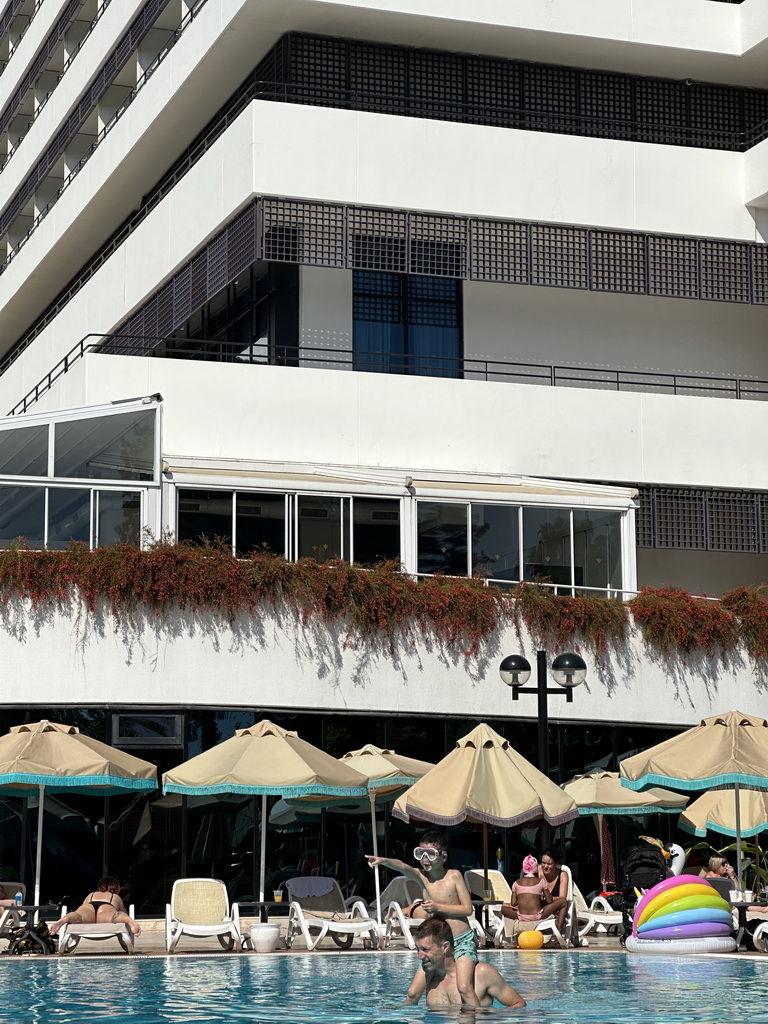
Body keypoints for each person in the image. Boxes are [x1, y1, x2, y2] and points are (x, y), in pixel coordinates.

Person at [367, 831, 480, 1007]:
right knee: (413, 993)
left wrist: (437, 907)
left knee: (464, 987)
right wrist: (384, 861)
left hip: (462, 941)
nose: (425, 859)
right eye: (421, 853)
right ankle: (404, 1015)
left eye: (431, 854)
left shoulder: (454, 875)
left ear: (443, 857)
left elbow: (467, 909)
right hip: (438, 944)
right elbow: (402, 866)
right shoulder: (422, 878)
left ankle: (480, 1018)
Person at [406, 916, 526, 1008]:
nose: (420, 956)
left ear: (445, 947)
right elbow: (407, 1010)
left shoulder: (482, 973)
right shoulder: (429, 975)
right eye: (418, 949)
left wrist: (493, 1019)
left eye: (425, 950)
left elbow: (519, 1004)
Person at [49, 876, 141, 937]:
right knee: (116, 915)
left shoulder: (91, 894)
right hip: (106, 907)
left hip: (90, 906)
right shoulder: (115, 896)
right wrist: (125, 917)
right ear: (116, 888)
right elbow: (123, 912)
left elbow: (82, 907)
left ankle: (65, 919)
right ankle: (129, 921)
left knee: (78, 915)